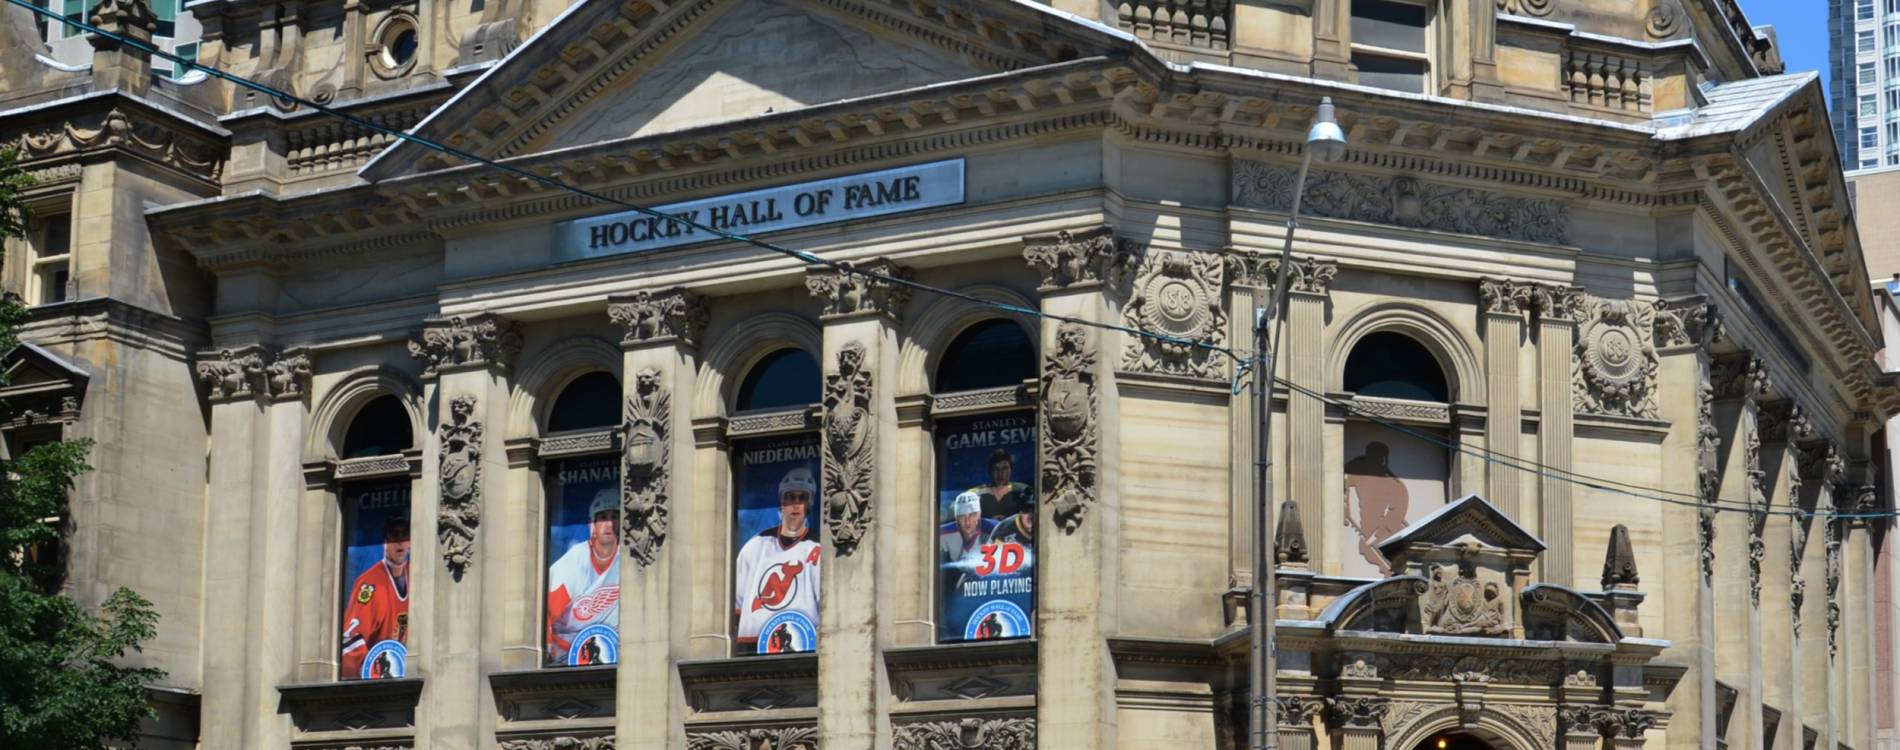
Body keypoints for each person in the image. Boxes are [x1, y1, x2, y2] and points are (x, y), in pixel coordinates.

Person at [735, 467, 821, 650]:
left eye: (802, 498)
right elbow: (737, 605)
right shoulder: (755, 546)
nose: (796, 504)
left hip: (804, 646)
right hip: (752, 646)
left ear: (810, 504)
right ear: (781, 502)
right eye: (790, 497)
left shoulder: (818, 547)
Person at [546, 489, 621, 664]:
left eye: (614, 516)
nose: (609, 524)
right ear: (592, 525)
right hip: (567, 656)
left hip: (616, 652)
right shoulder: (572, 564)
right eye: (602, 517)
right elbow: (545, 614)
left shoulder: (630, 558)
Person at [341, 516, 410, 679]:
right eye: (394, 535)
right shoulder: (370, 584)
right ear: (385, 543)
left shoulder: (417, 576)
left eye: (404, 535)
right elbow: (349, 641)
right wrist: (370, 673)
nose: (399, 541)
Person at [1342, 441, 1408, 574]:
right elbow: (1342, 480)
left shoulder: (1393, 482)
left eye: (1381, 459)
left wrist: (1379, 532)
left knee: (1371, 547)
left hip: (1384, 524)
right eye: (1374, 458)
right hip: (1366, 520)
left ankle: (1392, 572)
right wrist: (1345, 506)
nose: (1379, 463)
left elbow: (1398, 508)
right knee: (1366, 548)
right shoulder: (1358, 469)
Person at [970, 449, 1033, 520]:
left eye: (1005, 469)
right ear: (990, 471)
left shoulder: (1023, 491)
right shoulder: (977, 493)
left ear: (1011, 470)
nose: (1000, 474)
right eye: (996, 469)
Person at [938, 491, 997, 565]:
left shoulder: (995, 529)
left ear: (979, 515)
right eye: (962, 516)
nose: (967, 521)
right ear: (956, 518)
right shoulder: (942, 533)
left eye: (972, 515)